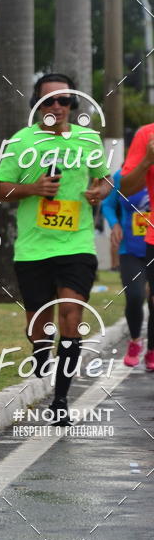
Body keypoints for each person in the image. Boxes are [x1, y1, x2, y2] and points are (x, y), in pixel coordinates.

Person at [0, 73, 111, 424]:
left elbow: (103, 178)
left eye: (64, 100)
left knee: (71, 318)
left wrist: (97, 193)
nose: (57, 107)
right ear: (37, 105)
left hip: (76, 243)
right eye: (48, 101)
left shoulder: (89, 140)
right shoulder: (21, 142)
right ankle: (41, 353)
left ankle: (60, 401)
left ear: (72, 104)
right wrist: (34, 189)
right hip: (33, 248)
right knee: (38, 326)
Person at [102, 168, 154, 369]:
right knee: (134, 296)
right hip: (130, 249)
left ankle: (152, 350)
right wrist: (115, 224)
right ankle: (134, 340)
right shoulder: (122, 176)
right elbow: (107, 205)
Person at [120, 121, 154, 370]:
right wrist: (147, 160)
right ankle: (140, 343)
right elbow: (125, 189)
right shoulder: (147, 135)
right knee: (136, 297)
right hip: (135, 246)